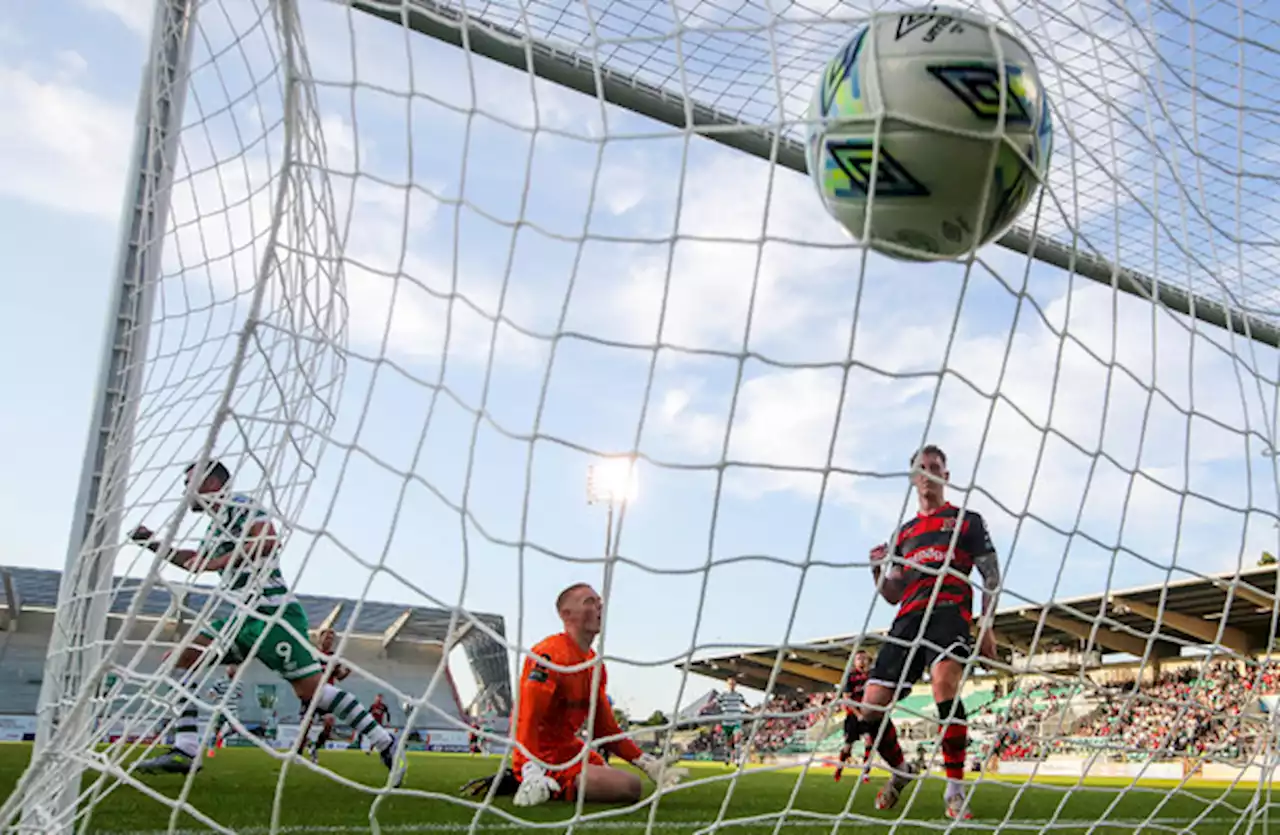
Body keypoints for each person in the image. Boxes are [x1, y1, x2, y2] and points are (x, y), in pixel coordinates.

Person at [128, 459, 406, 787]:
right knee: (180, 659)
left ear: (211, 483)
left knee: (312, 692)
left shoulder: (243, 506)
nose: (185, 491)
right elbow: (193, 561)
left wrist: (215, 562)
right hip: (239, 618)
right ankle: (186, 749)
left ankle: (385, 741)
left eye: (190, 482)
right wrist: (153, 544)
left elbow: (269, 541)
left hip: (271, 614)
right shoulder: (216, 526)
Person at [859, 445, 1001, 821]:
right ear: (912, 479)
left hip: (949, 613)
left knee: (944, 683)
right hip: (907, 620)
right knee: (870, 706)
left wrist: (986, 624)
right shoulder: (902, 534)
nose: (927, 473)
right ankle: (901, 769)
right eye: (920, 468)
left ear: (946, 476)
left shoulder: (967, 521)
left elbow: (992, 577)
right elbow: (893, 594)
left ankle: (954, 792)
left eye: (934, 467)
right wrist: (877, 572)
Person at [459, 583, 687, 806]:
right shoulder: (548, 655)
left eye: (600, 603)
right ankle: (526, 780)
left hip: (572, 750)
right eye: (590, 602)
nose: (600, 607)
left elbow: (604, 728)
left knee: (618, 780)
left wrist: (646, 762)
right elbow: (527, 717)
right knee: (629, 787)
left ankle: (539, 782)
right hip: (543, 755)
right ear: (566, 614)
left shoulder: (595, 664)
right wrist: (529, 767)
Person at [297, 628, 351, 763]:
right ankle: (298, 753)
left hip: (327, 696)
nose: (329, 640)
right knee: (306, 726)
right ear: (319, 639)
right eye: (327, 637)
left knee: (329, 724)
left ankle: (315, 747)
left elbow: (339, 677)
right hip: (311, 693)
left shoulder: (333, 658)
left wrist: (347, 672)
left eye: (331, 639)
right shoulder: (312, 654)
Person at [833, 650, 874, 783]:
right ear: (854, 662)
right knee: (848, 746)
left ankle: (865, 773)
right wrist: (858, 714)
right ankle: (840, 767)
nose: (861, 661)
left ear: (868, 661)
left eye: (864, 658)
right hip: (853, 715)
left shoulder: (872, 676)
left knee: (869, 741)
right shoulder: (850, 677)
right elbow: (846, 698)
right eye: (858, 659)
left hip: (868, 714)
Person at [206, 664, 243, 757]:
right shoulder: (220, 681)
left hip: (232, 710)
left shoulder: (239, 683)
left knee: (236, 729)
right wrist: (215, 698)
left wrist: (236, 699)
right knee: (216, 730)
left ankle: (220, 738)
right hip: (221, 710)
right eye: (230, 671)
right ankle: (211, 750)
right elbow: (211, 692)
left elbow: (239, 694)